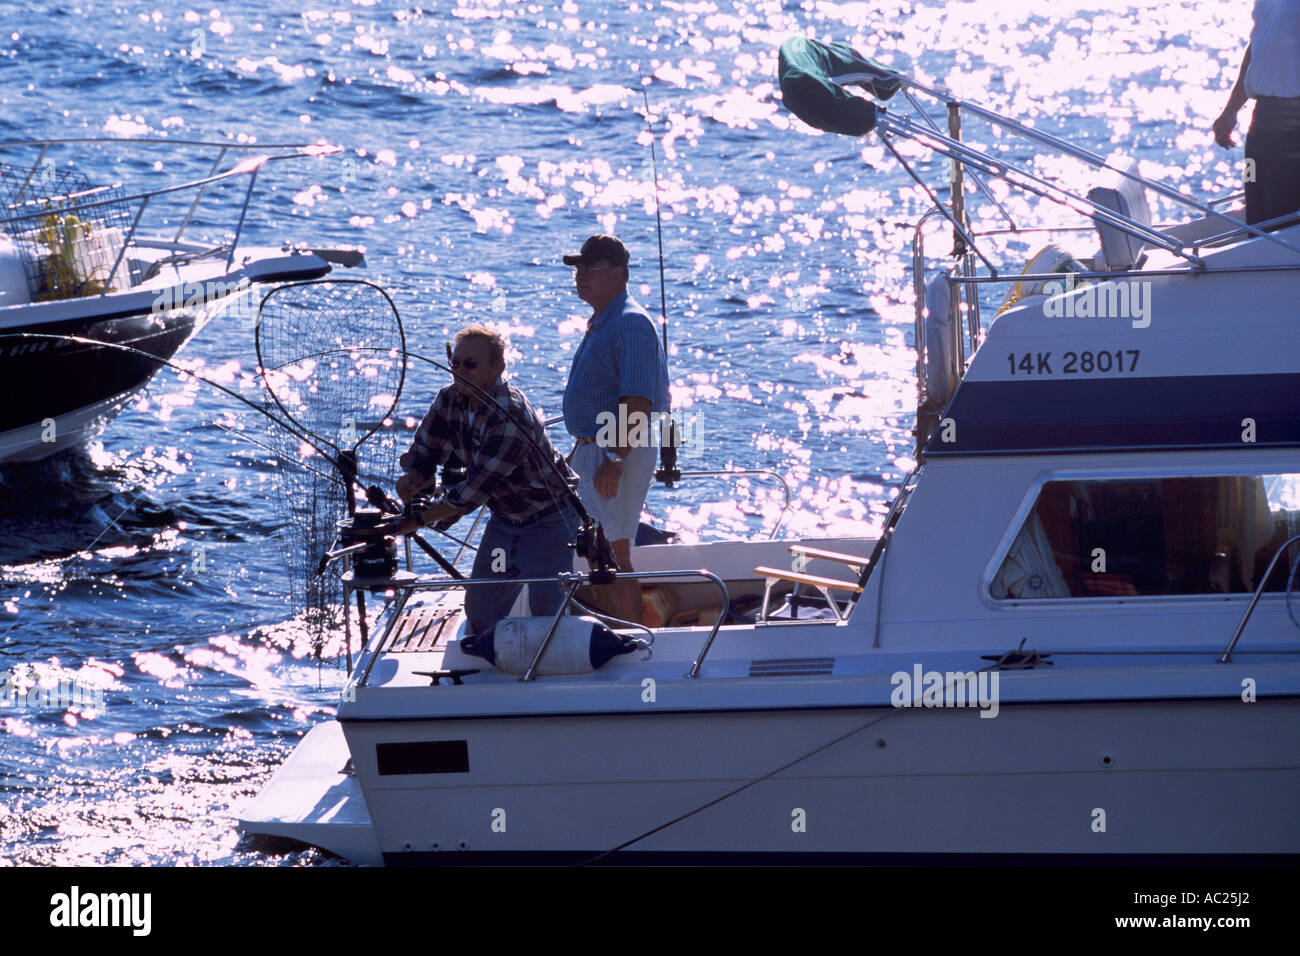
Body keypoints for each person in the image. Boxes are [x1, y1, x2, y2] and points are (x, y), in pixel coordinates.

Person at [392, 324, 579, 634]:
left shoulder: (511, 413)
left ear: (498, 366)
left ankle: (551, 673)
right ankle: (491, 667)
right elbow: (425, 450)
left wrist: (418, 520)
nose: (459, 371)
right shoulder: (449, 399)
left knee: (550, 618)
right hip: (505, 523)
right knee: (481, 611)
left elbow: (470, 495)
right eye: (455, 363)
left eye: (471, 364)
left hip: (549, 523)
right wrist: (414, 477)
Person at [562, 235, 670, 625]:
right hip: (598, 448)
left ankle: (634, 639)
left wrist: (612, 457)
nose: (579, 277)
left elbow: (637, 402)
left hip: (617, 447)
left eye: (588, 270)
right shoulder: (607, 319)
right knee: (599, 548)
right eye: (578, 270)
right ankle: (619, 631)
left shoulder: (630, 323)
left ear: (617, 274)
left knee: (612, 552)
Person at [1212, 0, 1300, 225]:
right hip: (1261, 121)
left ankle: (1282, 261)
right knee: (1255, 196)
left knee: (1283, 214)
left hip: (1293, 124)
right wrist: (1231, 110)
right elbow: (1258, 46)